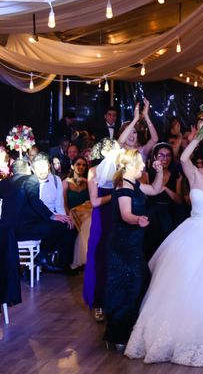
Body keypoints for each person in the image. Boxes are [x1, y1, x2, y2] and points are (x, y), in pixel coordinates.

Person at [126, 117, 203, 368]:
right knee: (182, 283)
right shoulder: (193, 173)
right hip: (192, 231)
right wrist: (199, 135)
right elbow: (183, 158)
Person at [103, 149, 164, 350]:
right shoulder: (122, 187)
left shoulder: (134, 184)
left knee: (138, 284)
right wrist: (138, 219)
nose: (144, 166)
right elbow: (126, 214)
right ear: (129, 165)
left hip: (133, 243)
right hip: (123, 246)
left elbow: (155, 189)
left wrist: (160, 170)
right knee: (128, 287)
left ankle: (126, 333)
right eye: (140, 163)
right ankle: (118, 335)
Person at [2, 159, 76, 274]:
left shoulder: (5, 182)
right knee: (65, 226)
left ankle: (41, 258)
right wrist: (53, 216)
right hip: (26, 229)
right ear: (28, 169)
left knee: (54, 226)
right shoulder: (31, 179)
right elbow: (34, 200)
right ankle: (43, 257)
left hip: (8, 230)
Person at [84, 138, 120, 322]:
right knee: (100, 258)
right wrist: (114, 195)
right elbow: (95, 202)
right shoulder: (93, 172)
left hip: (118, 216)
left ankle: (114, 302)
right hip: (101, 218)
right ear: (104, 153)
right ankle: (98, 303)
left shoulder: (120, 171)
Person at [141, 143, 183, 260]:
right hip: (151, 213)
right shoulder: (147, 174)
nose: (165, 159)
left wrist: (165, 189)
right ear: (155, 157)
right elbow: (141, 195)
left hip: (168, 213)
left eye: (168, 155)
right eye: (161, 155)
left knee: (165, 247)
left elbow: (179, 200)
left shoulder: (176, 175)